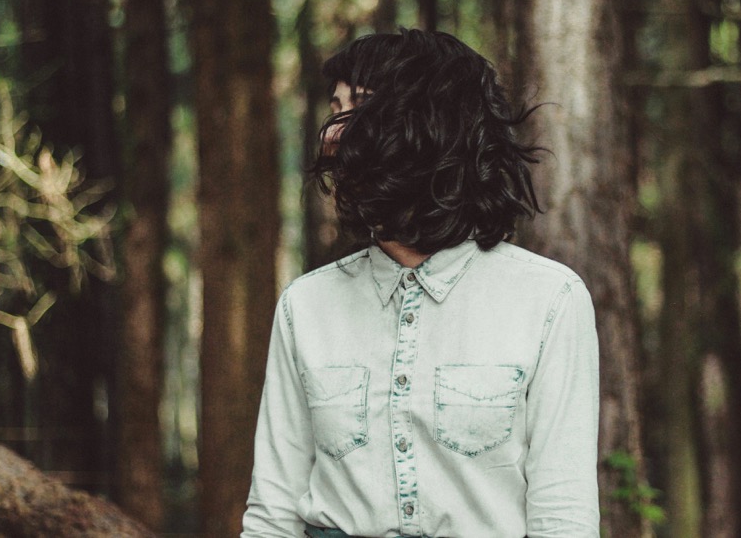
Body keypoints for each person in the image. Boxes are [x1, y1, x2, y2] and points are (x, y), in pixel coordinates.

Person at [241, 28, 599, 538]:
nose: (331, 135)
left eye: (359, 107)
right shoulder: (306, 304)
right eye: (334, 110)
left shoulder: (548, 300)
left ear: (434, 125)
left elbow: (564, 519)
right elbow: (272, 514)